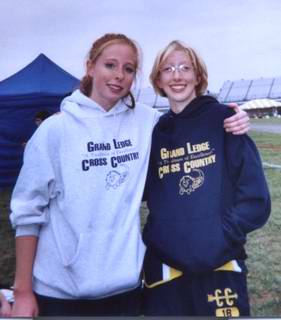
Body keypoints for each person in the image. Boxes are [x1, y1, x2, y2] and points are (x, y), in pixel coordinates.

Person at [9, 33, 250, 317]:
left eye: (128, 69)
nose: (119, 76)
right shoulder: (54, 131)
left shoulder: (147, 122)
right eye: (110, 65)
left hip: (125, 290)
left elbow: (187, 122)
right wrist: (22, 290)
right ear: (90, 67)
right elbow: (27, 213)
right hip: (62, 292)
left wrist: (231, 116)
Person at [142, 40, 271, 317]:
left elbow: (256, 200)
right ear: (158, 79)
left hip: (220, 266)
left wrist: (219, 235)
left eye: (185, 68)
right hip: (166, 270)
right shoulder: (156, 131)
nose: (177, 76)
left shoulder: (224, 119)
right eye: (168, 69)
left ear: (198, 76)